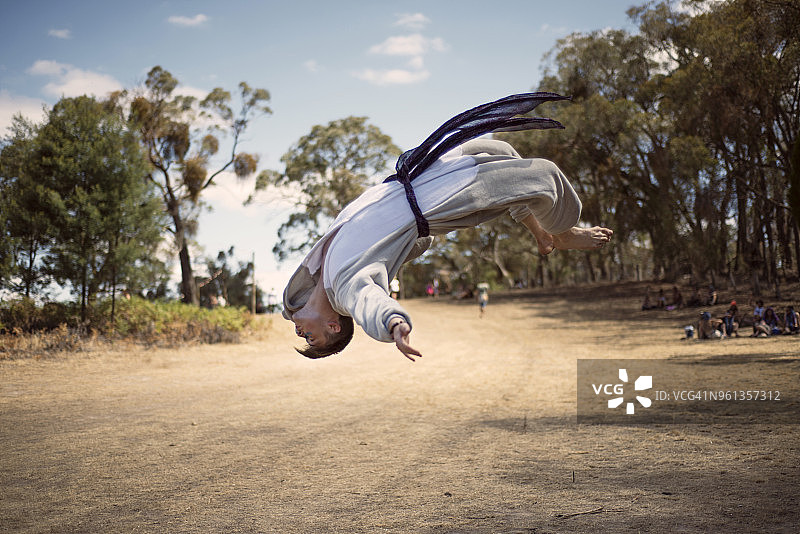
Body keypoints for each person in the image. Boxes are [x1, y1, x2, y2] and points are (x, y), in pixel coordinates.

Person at [282, 93, 613, 361]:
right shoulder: (345, 288)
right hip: (435, 201)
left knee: (500, 150)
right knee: (545, 176)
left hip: (415, 177)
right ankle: (564, 234)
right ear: (334, 326)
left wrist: (294, 307)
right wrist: (393, 323)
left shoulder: (318, 270)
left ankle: (542, 235)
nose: (301, 334)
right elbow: (368, 302)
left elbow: (293, 302)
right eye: (312, 339)